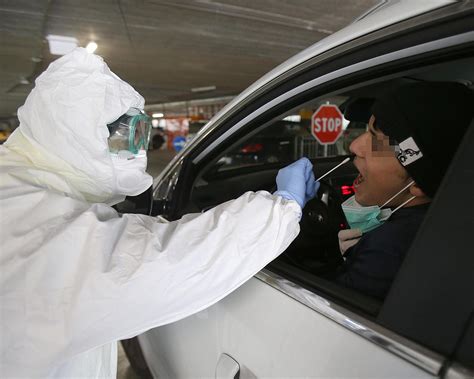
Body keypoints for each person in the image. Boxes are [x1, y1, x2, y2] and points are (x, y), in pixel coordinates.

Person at [0, 48, 319, 377]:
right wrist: (280, 208)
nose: (133, 152)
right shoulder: (26, 218)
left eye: (139, 134)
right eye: (122, 136)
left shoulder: (25, 183)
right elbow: (148, 265)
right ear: (69, 133)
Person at [333, 81, 474, 300]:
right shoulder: (447, 227)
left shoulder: (387, 250)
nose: (354, 147)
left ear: (417, 183)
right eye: (367, 131)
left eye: (377, 143)